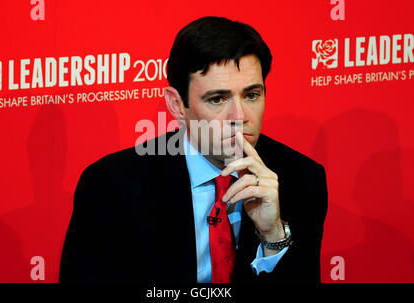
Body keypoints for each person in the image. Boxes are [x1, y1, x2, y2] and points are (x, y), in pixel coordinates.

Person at [59, 16, 328, 283]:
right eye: (217, 99)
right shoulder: (113, 186)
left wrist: (273, 235)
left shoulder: (300, 179)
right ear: (177, 105)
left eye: (251, 95)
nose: (239, 115)